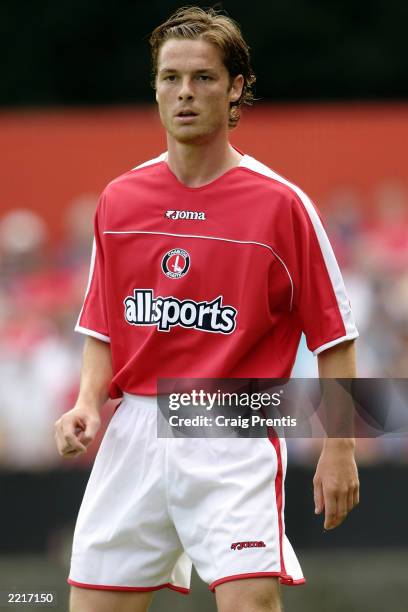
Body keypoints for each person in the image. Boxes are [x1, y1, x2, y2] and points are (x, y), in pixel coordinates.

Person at [54, 7, 360, 612]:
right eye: (170, 78)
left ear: (236, 87)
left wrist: (340, 448)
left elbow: (337, 337)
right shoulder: (119, 199)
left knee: (250, 604)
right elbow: (100, 324)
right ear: (156, 87)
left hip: (227, 418)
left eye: (203, 78)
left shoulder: (282, 204)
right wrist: (87, 404)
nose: (185, 93)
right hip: (134, 428)